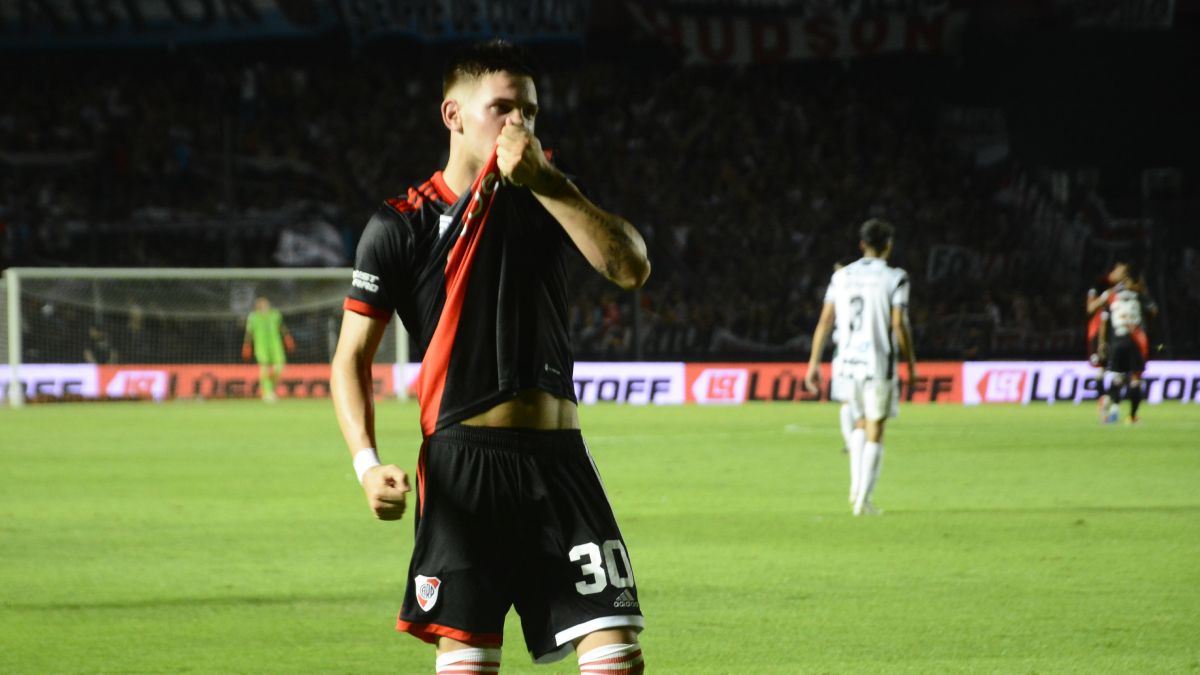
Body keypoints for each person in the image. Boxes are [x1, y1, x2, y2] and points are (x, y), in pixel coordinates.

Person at [330, 41, 651, 675]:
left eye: (530, 112)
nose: (519, 125)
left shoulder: (549, 197)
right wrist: (366, 465)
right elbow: (349, 359)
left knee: (618, 658)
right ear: (453, 115)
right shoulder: (401, 224)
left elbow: (631, 267)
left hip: (562, 464)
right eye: (502, 108)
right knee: (471, 662)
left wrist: (550, 182)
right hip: (465, 468)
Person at [804, 219, 916, 516]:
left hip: (846, 361)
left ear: (861, 245)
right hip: (878, 362)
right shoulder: (896, 278)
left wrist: (814, 362)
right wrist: (912, 363)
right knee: (875, 428)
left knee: (857, 423)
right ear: (888, 245)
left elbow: (825, 321)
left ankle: (855, 489)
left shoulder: (841, 276)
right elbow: (898, 324)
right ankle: (863, 500)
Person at [1098, 263, 1158, 425]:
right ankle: (1132, 417)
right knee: (1135, 379)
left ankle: (1111, 410)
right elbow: (1153, 311)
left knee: (1117, 378)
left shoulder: (1111, 295)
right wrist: (1144, 292)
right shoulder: (1138, 294)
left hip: (1117, 341)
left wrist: (1102, 343)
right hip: (1135, 341)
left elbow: (1103, 319)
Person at [1085, 261, 1126, 422]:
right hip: (1099, 334)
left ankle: (1114, 408)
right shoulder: (1099, 287)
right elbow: (1090, 309)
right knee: (1100, 371)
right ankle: (1103, 403)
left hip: (1119, 334)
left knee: (1120, 373)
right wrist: (1105, 296)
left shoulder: (1128, 288)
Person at [241, 296, 294, 402]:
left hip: (276, 345)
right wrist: (247, 345)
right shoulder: (253, 317)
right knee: (264, 368)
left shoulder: (275, 314)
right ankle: (267, 392)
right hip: (261, 346)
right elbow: (249, 332)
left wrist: (288, 338)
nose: (265, 306)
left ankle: (271, 389)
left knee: (279, 368)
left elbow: (282, 327)